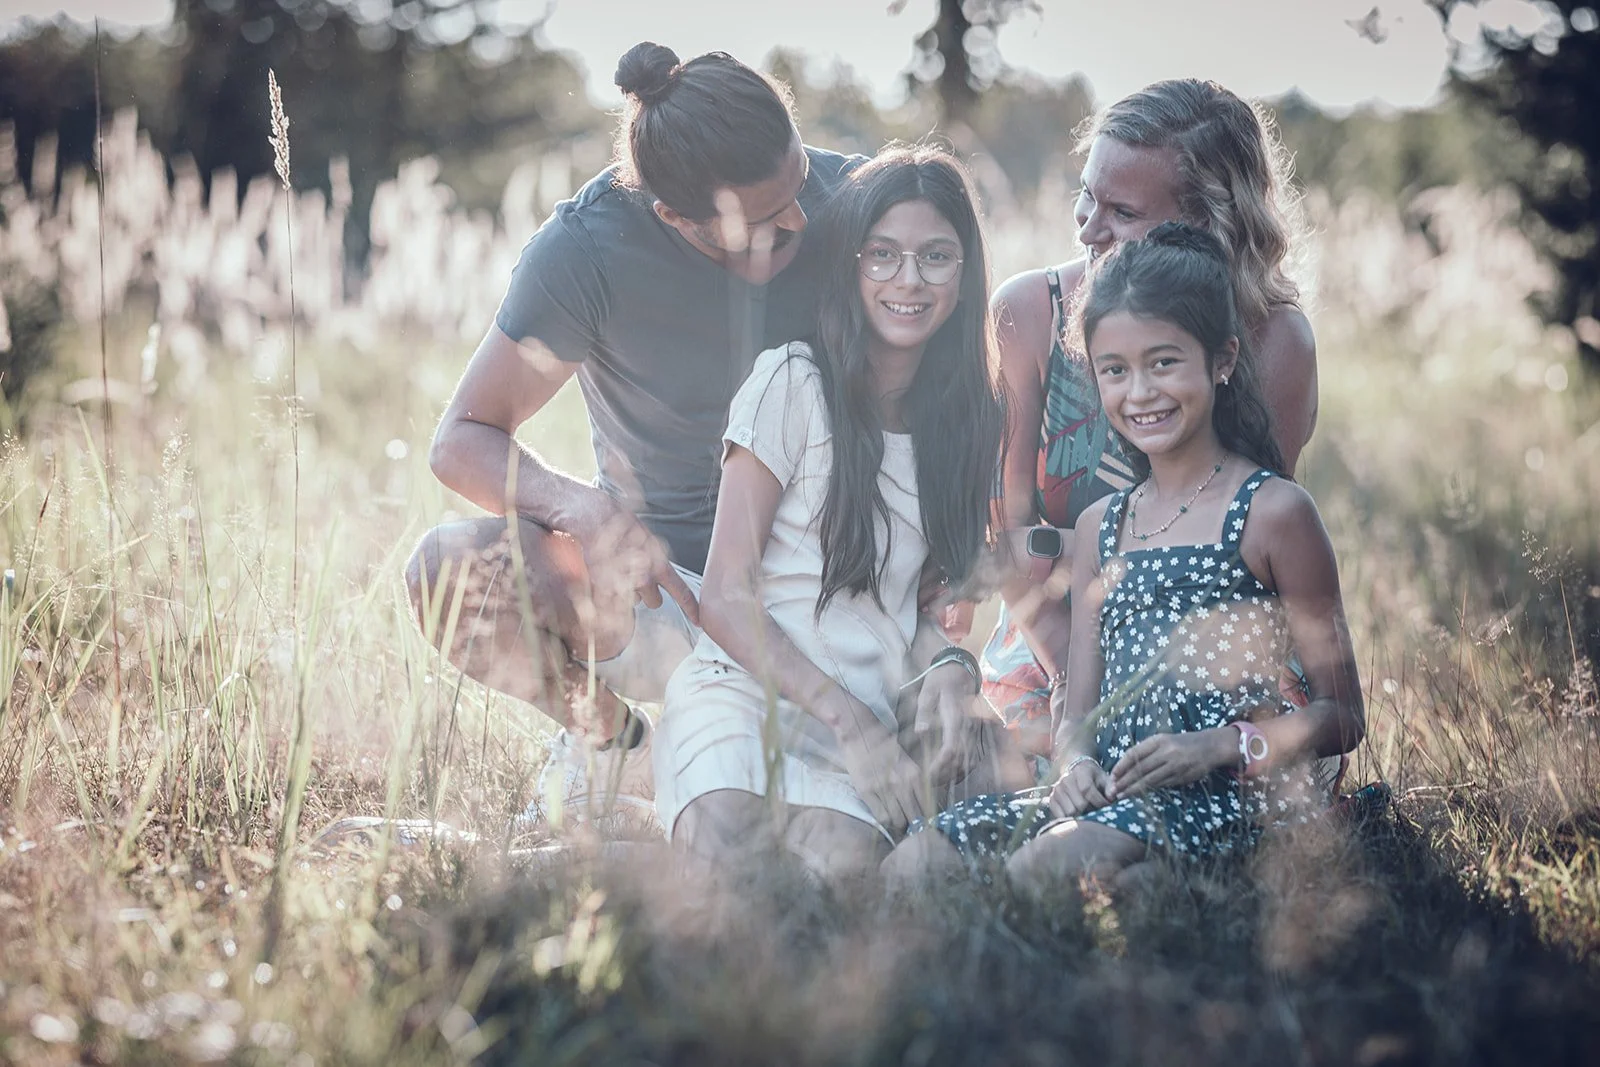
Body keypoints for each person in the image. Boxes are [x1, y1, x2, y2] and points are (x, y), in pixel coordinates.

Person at [403, 43, 982, 832]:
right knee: (447, 571)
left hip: (825, 598)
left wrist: (943, 599)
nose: (800, 225)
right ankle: (612, 743)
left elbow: (950, 383)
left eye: (797, 186)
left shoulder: (847, 201)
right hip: (666, 591)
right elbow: (461, 438)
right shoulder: (586, 252)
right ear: (673, 217)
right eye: (762, 223)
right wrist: (581, 508)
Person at [884, 223, 1364, 893]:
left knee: (1038, 871)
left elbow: (1343, 715)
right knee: (916, 861)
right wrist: (1075, 764)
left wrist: (1223, 744)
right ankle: (1122, 883)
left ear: (1222, 360)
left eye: (1164, 362)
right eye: (1115, 370)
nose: (1139, 393)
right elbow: (1077, 711)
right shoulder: (1099, 526)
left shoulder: (1273, 512)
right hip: (1105, 791)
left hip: (1218, 793)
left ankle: (1174, 884)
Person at [654, 146, 1025, 882]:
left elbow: (918, 607)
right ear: (851, 266)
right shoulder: (791, 381)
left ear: (965, 272)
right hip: (746, 693)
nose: (908, 280)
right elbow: (725, 595)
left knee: (839, 889)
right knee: (731, 861)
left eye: (936, 256)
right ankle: (620, 840)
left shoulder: (970, 419)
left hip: (866, 726)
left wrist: (953, 666)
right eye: (881, 255)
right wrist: (849, 722)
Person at [979, 79, 1318, 760]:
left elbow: (1240, 553)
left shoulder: (1272, 343)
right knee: (1003, 777)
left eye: (1122, 211)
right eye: (1086, 194)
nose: (1087, 227)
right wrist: (1080, 688)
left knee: (1208, 782)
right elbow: (1009, 544)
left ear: (1207, 224)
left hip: (1209, 636)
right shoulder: (1029, 314)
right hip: (1047, 634)